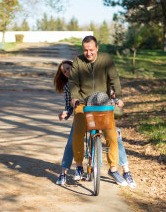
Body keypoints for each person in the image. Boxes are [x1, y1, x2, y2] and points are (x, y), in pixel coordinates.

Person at [53, 58, 136, 188]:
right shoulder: (69, 85)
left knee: (115, 136)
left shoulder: (89, 77)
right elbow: (69, 105)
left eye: (69, 69)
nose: (68, 72)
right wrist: (66, 113)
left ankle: (125, 171)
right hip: (82, 113)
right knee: (72, 139)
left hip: (99, 111)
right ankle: (64, 172)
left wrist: (116, 98)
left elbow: (108, 90)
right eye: (64, 72)